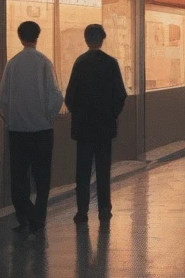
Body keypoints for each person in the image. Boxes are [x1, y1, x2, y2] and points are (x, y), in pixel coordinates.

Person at [0, 21, 64, 234]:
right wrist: (49, 117)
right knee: (42, 177)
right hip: (42, 131)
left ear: (19, 37)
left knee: (19, 178)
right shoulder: (44, 62)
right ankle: (39, 218)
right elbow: (56, 96)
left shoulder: (13, 64)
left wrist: (11, 118)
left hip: (17, 131)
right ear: (38, 36)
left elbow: (1, 98)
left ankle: (25, 216)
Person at [64, 24, 127, 225]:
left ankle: (82, 210)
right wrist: (111, 115)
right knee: (103, 169)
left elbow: (70, 96)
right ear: (102, 39)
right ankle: (104, 209)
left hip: (83, 128)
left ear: (86, 40)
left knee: (82, 170)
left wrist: (80, 115)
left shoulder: (80, 63)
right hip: (105, 128)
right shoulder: (111, 63)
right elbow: (120, 94)